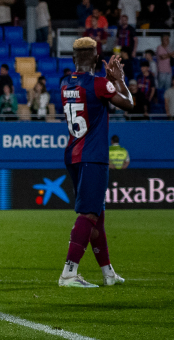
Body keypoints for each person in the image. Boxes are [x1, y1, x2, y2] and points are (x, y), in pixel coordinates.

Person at [57, 38, 135, 288]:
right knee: (89, 214)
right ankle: (69, 272)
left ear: (73, 59)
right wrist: (118, 78)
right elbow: (129, 104)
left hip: (73, 154)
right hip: (93, 157)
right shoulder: (100, 85)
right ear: (95, 58)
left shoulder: (64, 82)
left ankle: (108, 273)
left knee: (96, 216)